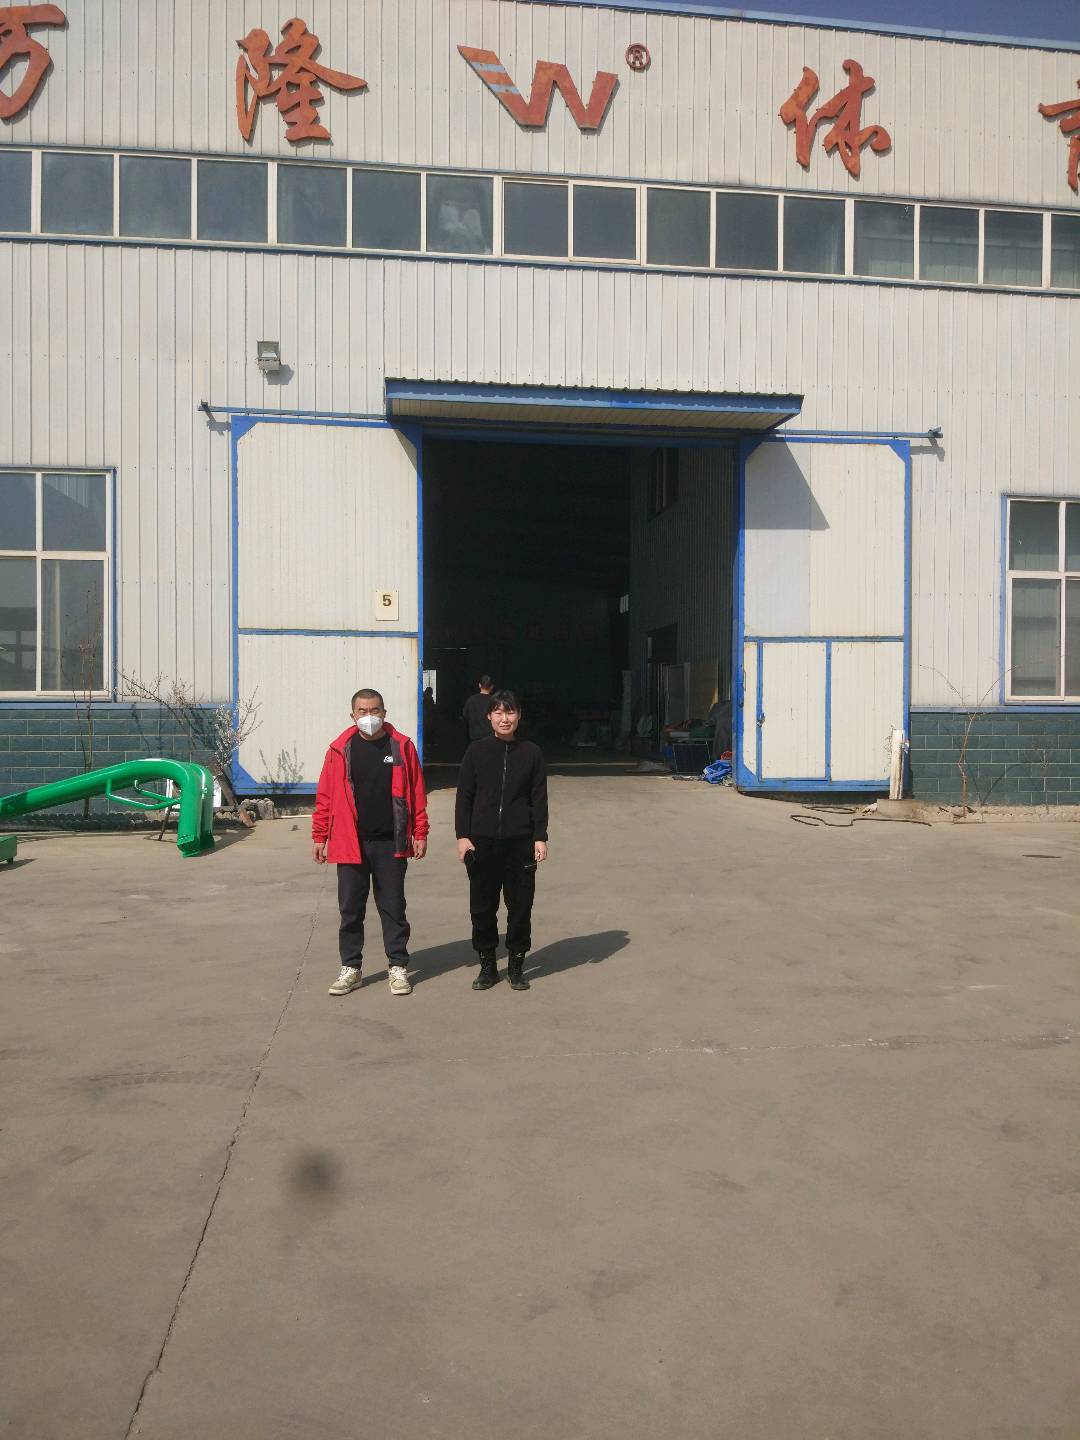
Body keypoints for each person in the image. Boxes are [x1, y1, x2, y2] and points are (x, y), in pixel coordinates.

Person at [312, 688, 428, 998]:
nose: (369, 716)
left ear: (384, 712)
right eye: (362, 711)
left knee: (393, 908)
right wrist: (320, 835)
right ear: (352, 715)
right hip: (350, 842)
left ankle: (398, 966)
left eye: (375, 710)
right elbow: (325, 796)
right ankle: (351, 968)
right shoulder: (339, 750)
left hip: (391, 843)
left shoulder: (401, 746)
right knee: (350, 909)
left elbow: (416, 792)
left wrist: (420, 831)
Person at [455, 690, 548, 992]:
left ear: (519, 715)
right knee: (482, 908)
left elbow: (538, 797)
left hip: (520, 842)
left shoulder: (531, 753)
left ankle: (517, 966)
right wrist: (462, 836)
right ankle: (488, 967)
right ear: (489, 716)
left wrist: (540, 836)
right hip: (482, 843)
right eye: (498, 712)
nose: (504, 718)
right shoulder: (476, 751)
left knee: (520, 908)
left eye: (510, 712)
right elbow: (464, 796)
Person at [461, 674, 495, 745]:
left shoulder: (471, 700)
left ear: (479, 685)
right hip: (491, 737)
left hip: (475, 738)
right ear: (492, 687)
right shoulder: (494, 701)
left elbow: (465, 716)